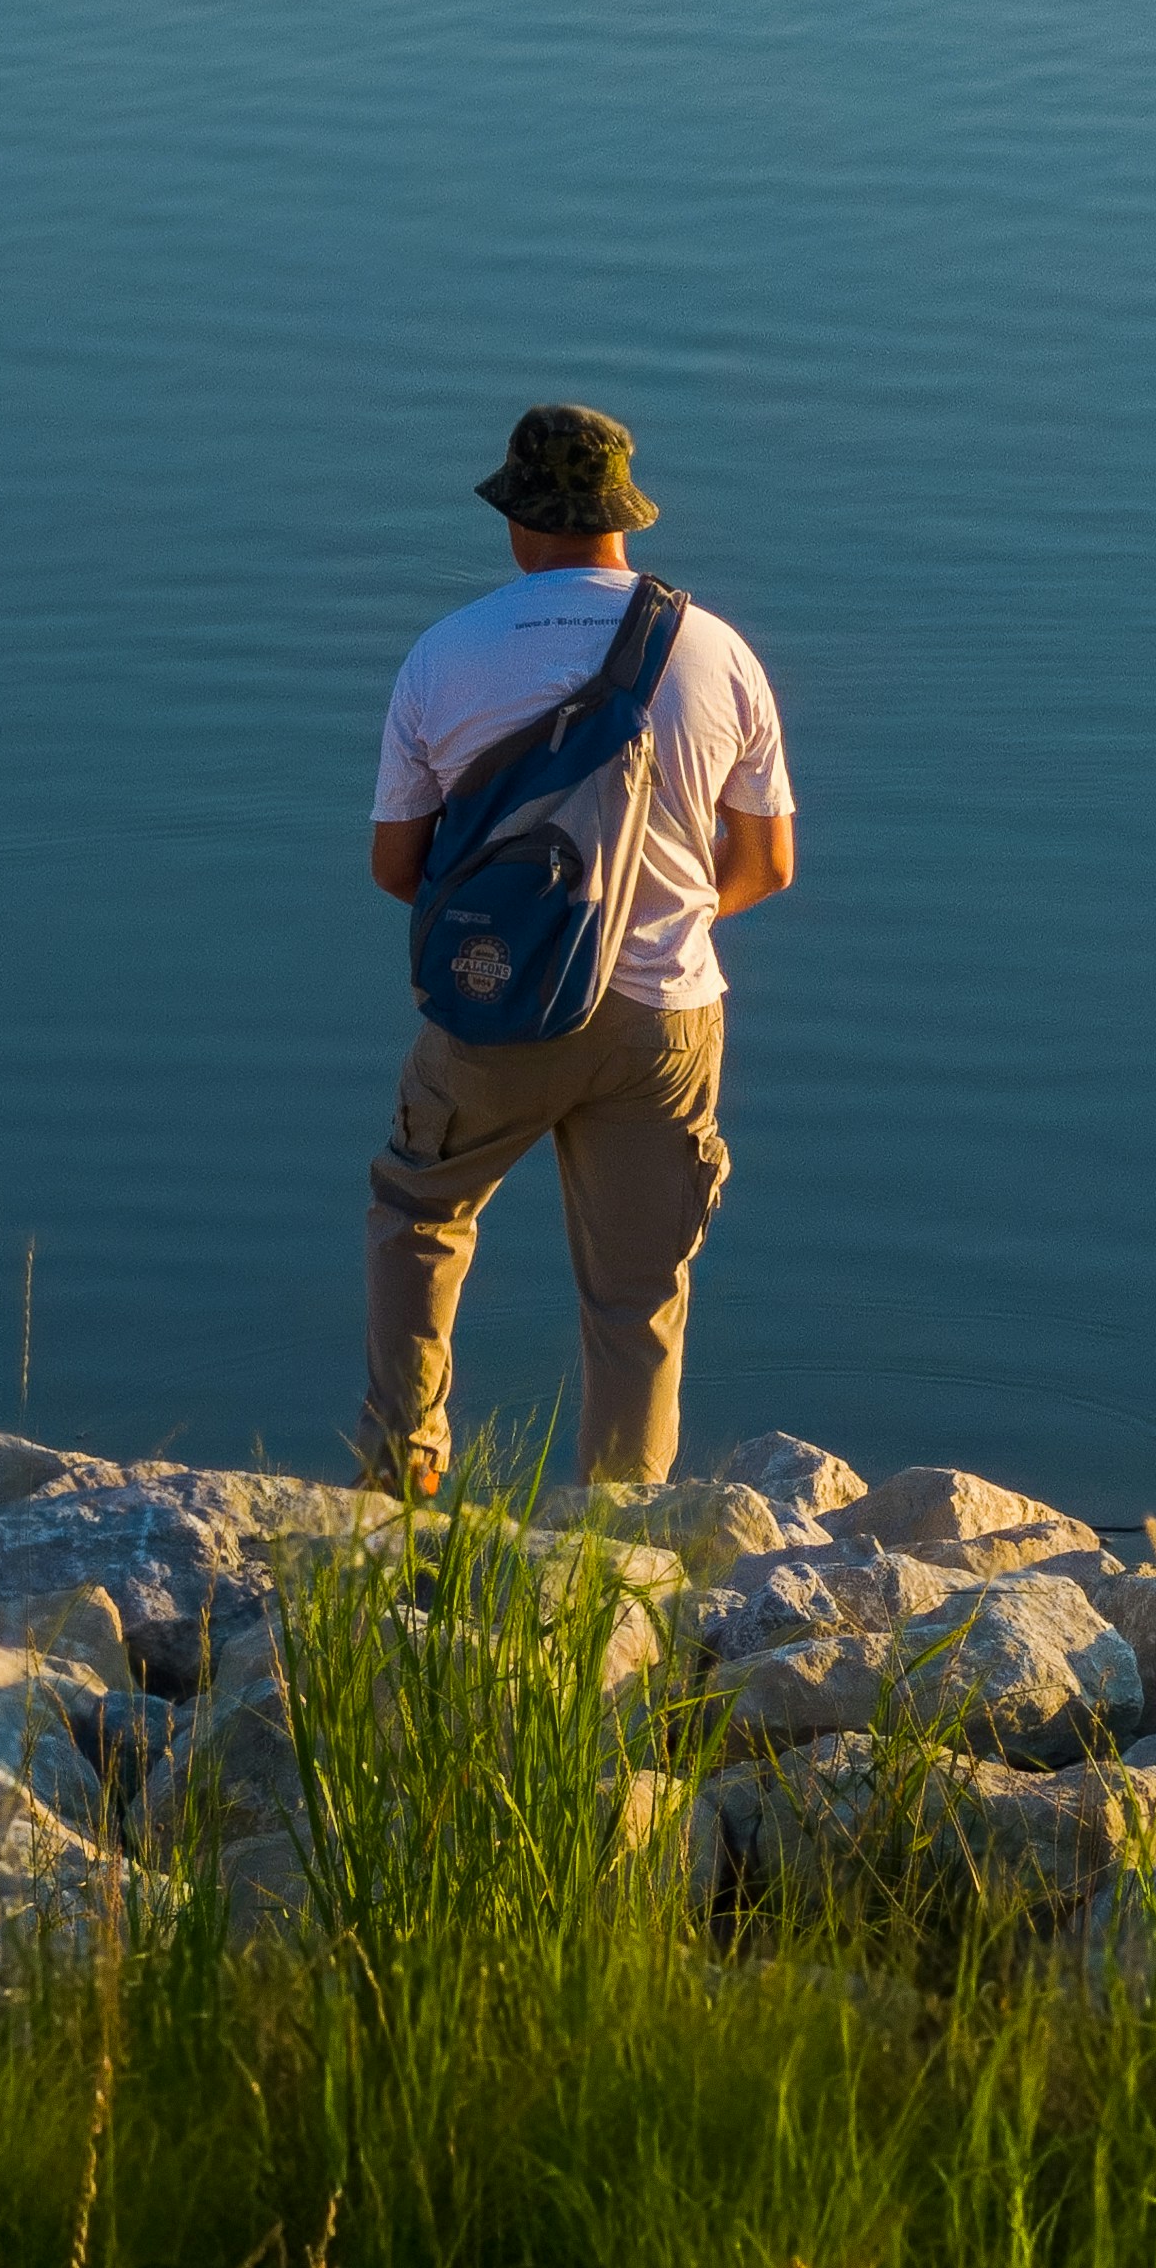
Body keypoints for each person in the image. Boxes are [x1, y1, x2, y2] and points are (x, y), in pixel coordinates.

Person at [356, 402, 797, 1497]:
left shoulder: (443, 655)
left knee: (420, 1215)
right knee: (635, 1292)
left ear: (516, 520)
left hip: (494, 1001)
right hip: (665, 1014)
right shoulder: (716, 649)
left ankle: (404, 1478)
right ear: (622, 521)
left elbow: (396, 868)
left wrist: (537, 940)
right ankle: (623, 1529)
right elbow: (769, 863)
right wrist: (661, 925)